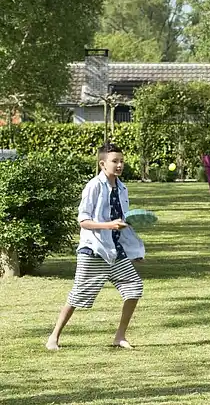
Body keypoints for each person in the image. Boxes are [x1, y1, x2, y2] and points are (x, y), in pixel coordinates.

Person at [46, 143, 145, 350]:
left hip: (116, 252)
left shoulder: (122, 187)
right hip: (93, 251)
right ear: (102, 164)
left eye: (121, 161)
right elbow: (83, 221)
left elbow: (120, 220)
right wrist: (110, 225)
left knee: (134, 288)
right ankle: (53, 337)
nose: (119, 165)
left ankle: (120, 336)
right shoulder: (93, 186)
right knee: (78, 295)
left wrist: (133, 247)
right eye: (114, 161)